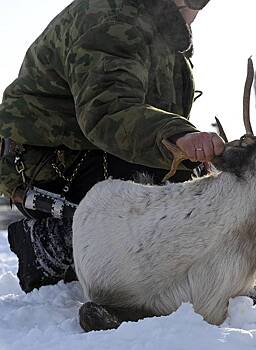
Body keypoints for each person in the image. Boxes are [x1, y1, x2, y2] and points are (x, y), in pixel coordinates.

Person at [0, 0, 225, 293]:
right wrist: (180, 137)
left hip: (90, 149)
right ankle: (56, 242)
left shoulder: (159, 32)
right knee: (152, 203)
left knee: (187, 188)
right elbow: (108, 113)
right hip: (50, 165)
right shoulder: (110, 19)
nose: (196, 7)